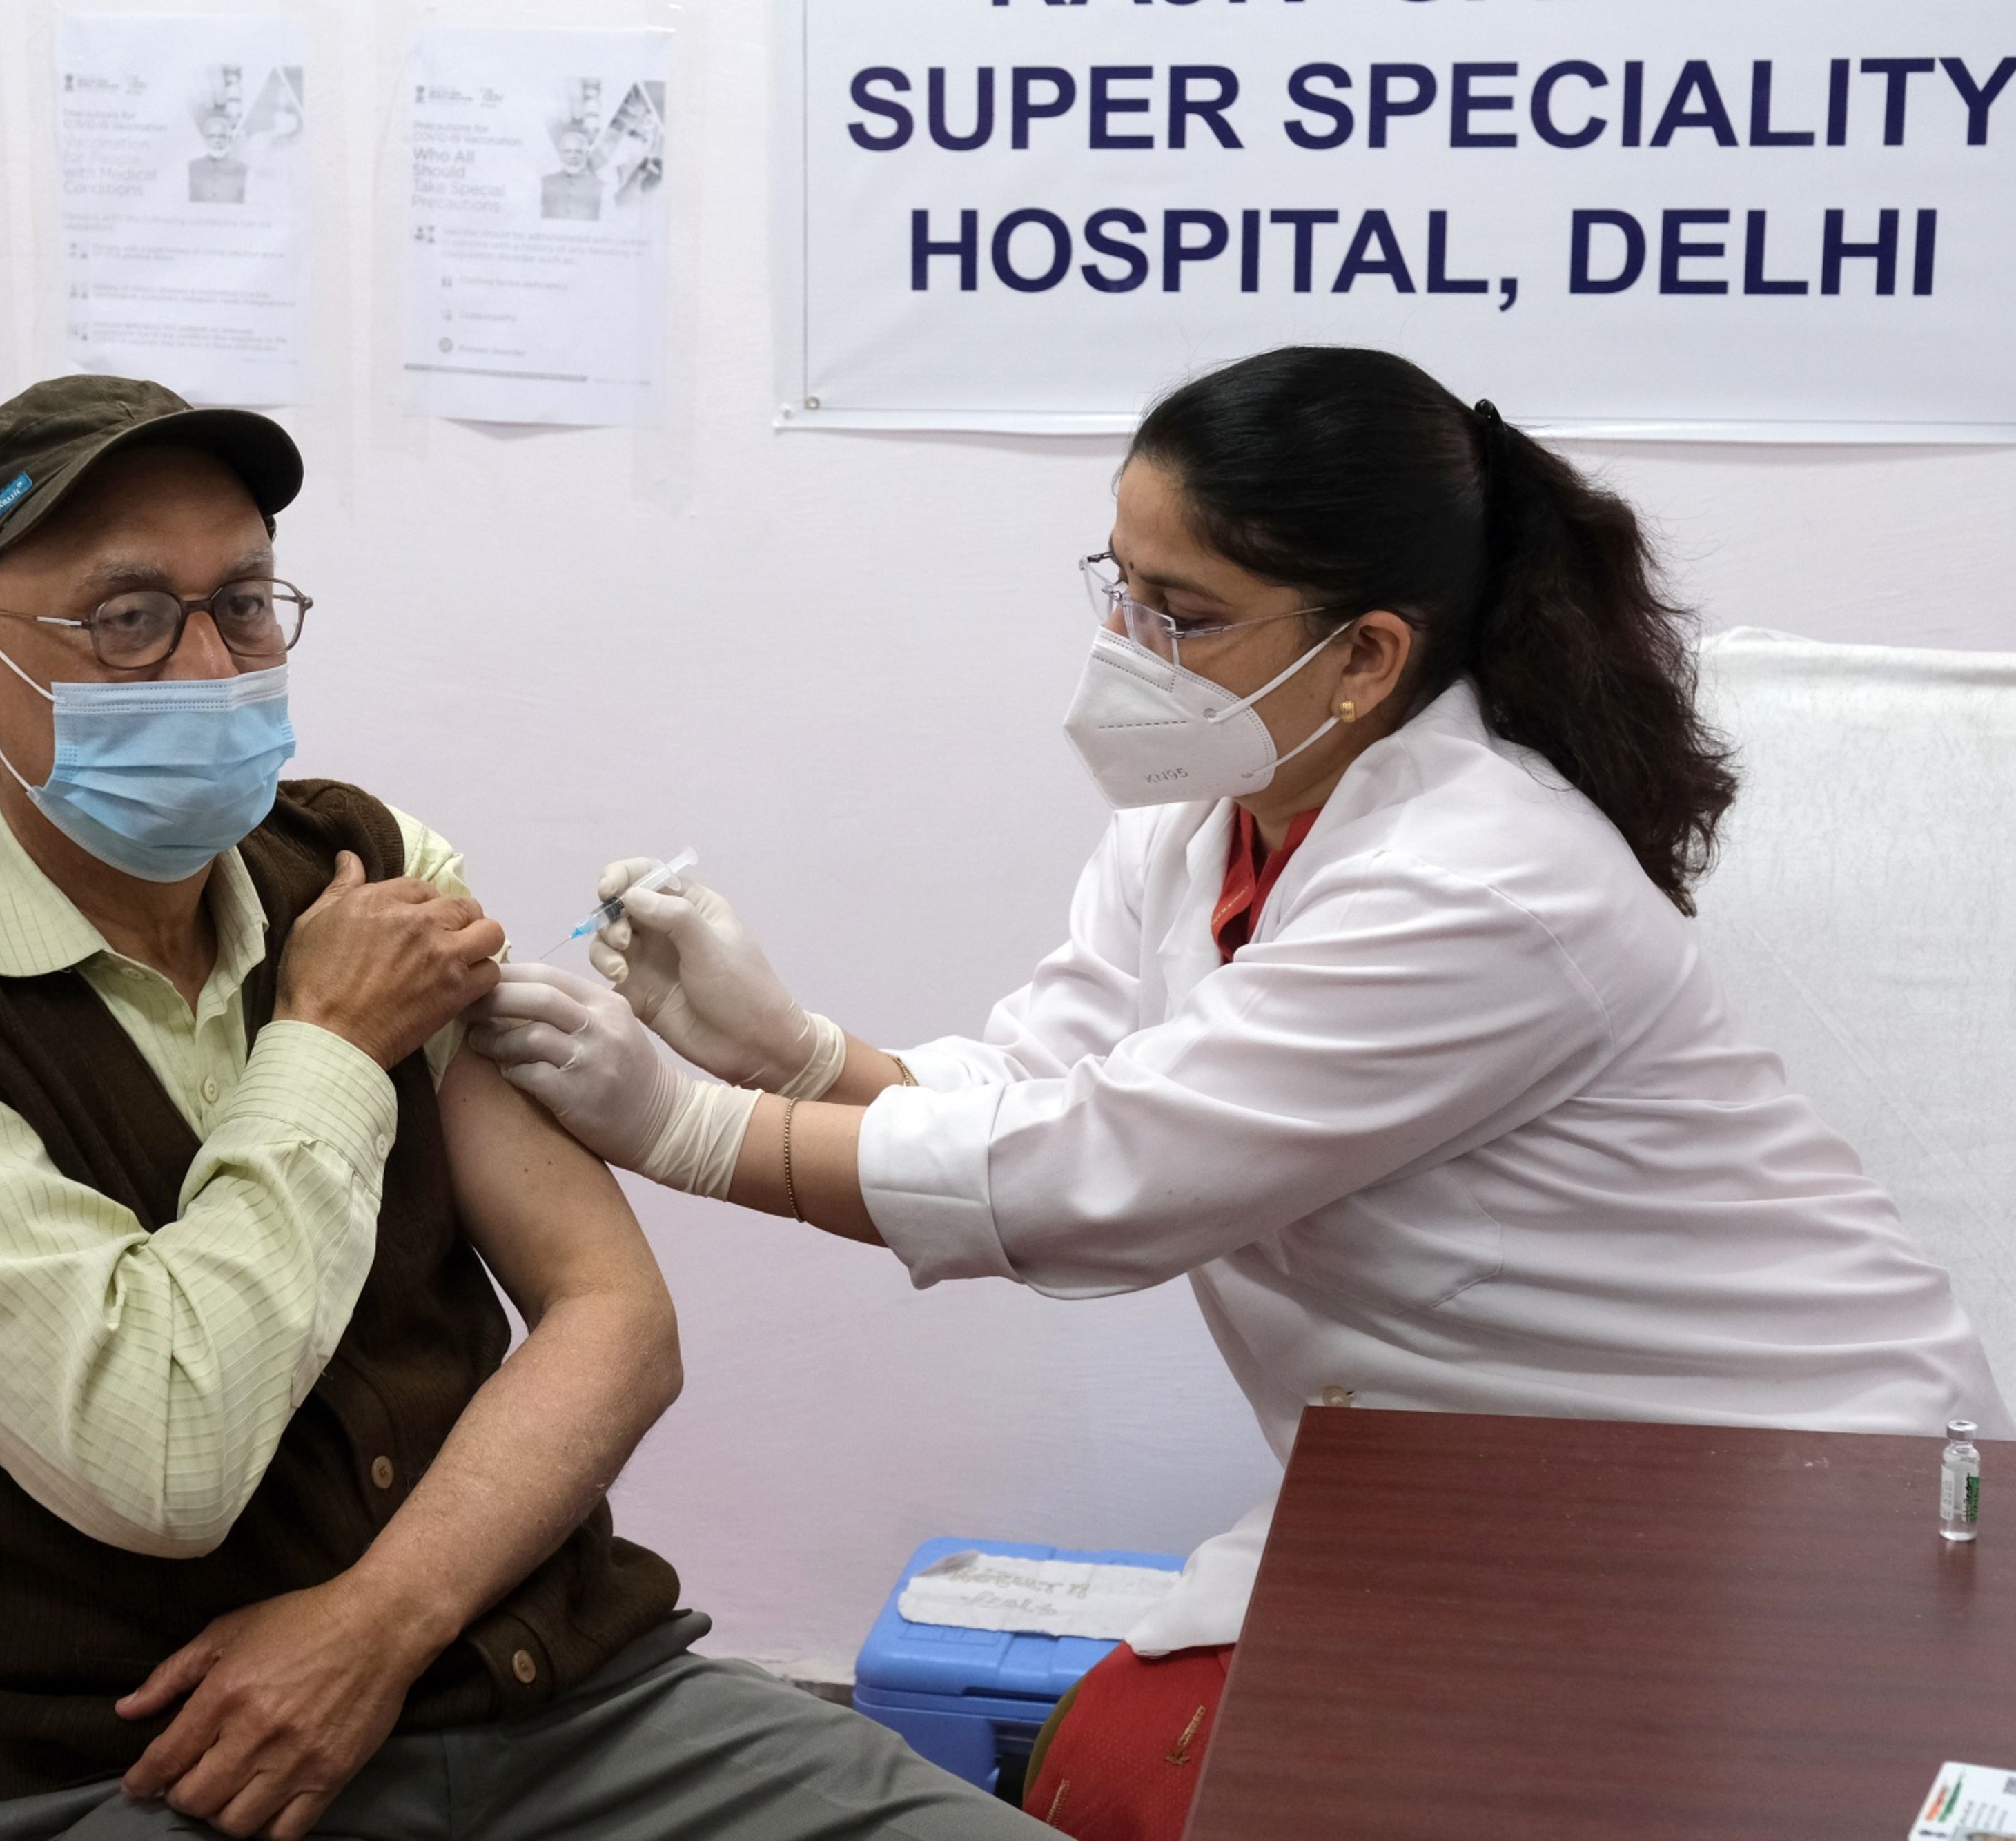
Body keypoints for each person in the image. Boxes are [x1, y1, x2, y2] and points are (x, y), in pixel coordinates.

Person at [467, 345, 2012, 1839]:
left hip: (1786, 1491)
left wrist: (680, 1124)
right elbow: (1052, 1079)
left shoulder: (1485, 881)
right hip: (1482, 1469)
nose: (1127, 647)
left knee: (1184, 1783)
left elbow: (1096, 1178)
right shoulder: (1211, 811)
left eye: (1184, 613)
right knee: (1119, 1760)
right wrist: (794, 1052)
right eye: (1118, 586)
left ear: (1367, 655)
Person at [0, 375, 1053, 1841]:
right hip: (184, 1773)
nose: (207, 667)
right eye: (127, 617)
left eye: (244, 605)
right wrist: (332, 1044)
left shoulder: (363, 865)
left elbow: (613, 1318)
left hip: (566, 1702)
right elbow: (164, 1459)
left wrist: (376, 1626)